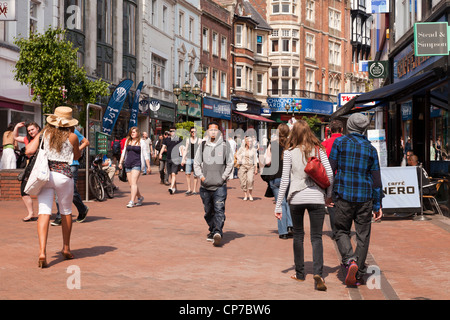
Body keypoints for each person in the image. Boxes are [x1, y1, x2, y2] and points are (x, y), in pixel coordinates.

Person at [274, 120, 333, 291]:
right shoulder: (319, 150)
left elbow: (285, 180)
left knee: (298, 236)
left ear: (294, 134)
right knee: (316, 237)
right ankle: (318, 274)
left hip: (296, 198)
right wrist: (328, 196)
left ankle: (300, 273)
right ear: (309, 132)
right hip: (316, 198)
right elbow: (329, 174)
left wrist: (278, 206)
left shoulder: (290, 152)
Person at [329, 113, 383, 287]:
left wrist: (328, 193)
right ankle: (358, 273)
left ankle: (349, 259)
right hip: (365, 198)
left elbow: (331, 170)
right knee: (363, 236)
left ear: (349, 126)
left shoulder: (339, 143)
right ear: (364, 128)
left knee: (340, 230)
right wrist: (377, 204)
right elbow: (376, 180)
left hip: (343, 195)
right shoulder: (371, 149)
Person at [25, 106, 81, 268]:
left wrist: (43, 132)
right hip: (63, 176)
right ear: (69, 122)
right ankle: (66, 248)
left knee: (44, 212)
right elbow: (76, 156)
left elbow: (29, 150)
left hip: (45, 176)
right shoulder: (72, 137)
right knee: (66, 212)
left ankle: (42, 252)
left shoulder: (46, 134)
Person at [194, 121, 234, 247]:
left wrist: (223, 178)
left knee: (219, 209)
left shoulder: (224, 145)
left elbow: (230, 163)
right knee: (208, 211)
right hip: (205, 186)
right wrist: (201, 177)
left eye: (215, 130)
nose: (213, 132)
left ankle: (217, 232)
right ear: (207, 131)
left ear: (219, 132)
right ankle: (212, 229)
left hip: (219, 186)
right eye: (211, 130)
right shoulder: (203, 145)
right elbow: (196, 162)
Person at [52, 127, 90, 226]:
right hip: (59, 164)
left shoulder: (73, 132)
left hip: (72, 164)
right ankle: (59, 216)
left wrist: (74, 151)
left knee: (71, 191)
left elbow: (86, 142)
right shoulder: (55, 132)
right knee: (58, 190)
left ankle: (82, 209)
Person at [265, 123, 293, 239]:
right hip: (289, 177)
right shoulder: (291, 144)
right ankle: (290, 225)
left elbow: (267, 161)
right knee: (288, 202)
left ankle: (283, 231)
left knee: (280, 203)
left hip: (276, 177)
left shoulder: (273, 144)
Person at [13, 122, 41, 221]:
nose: (30, 132)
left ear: (38, 128)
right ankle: (31, 213)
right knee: (23, 189)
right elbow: (15, 137)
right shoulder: (27, 139)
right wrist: (16, 126)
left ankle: (50, 213)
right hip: (30, 166)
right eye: (29, 130)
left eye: (32, 129)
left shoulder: (43, 138)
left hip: (42, 166)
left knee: (45, 189)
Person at [321, 119, 344, 239]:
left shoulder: (324, 144)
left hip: (330, 177)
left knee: (331, 204)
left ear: (330, 130)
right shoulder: (346, 142)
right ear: (342, 130)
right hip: (344, 177)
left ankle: (335, 231)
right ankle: (344, 230)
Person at [118, 126, 150, 208]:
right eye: (131, 132)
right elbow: (124, 152)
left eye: (134, 132)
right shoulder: (128, 141)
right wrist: (120, 162)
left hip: (137, 164)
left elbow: (145, 155)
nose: (132, 133)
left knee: (134, 183)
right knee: (131, 184)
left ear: (137, 133)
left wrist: (148, 166)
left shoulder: (141, 142)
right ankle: (140, 197)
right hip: (128, 164)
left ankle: (132, 201)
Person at [159, 126, 183, 194]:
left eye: (173, 131)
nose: (172, 132)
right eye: (171, 131)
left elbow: (181, 148)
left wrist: (183, 158)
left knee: (173, 174)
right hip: (168, 158)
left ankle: (171, 188)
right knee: (171, 174)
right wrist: (160, 154)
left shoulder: (179, 139)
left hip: (176, 158)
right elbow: (163, 147)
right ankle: (175, 187)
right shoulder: (166, 139)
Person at [236, 136, 259, 201]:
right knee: (243, 181)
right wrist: (239, 158)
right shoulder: (242, 148)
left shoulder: (253, 149)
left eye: (251, 141)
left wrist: (256, 168)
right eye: (249, 141)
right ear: (246, 142)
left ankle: (250, 194)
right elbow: (237, 154)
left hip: (250, 166)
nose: (250, 143)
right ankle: (245, 195)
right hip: (242, 166)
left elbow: (255, 159)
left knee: (250, 180)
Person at [181, 127, 200, 195]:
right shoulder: (188, 140)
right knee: (187, 173)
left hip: (196, 159)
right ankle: (189, 189)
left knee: (195, 175)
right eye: (192, 132)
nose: (193, 133)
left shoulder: (199, 140)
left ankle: (194, 190)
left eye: (194, 131)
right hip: (189, 158)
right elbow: (186, 149)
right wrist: (183, 159)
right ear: (190, 132)